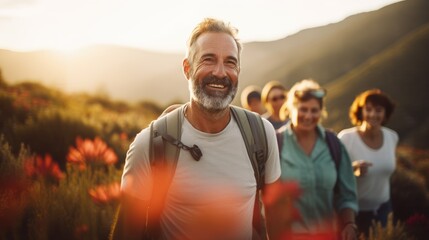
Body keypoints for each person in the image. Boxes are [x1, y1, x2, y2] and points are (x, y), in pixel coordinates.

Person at [117, 18, 281, 240]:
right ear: (187, 68)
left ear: (238, 70)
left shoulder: (261, 134)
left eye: (230, 62)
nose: (221, 72)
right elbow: (127, 233)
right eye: (208, 59)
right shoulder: (149, 145)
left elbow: (277, 218)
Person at [276, 79, 358, 240]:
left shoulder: (333, 144)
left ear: (321, 112)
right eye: (303, 109)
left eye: (314, 110)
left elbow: (347, 194)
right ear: (291, 109)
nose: (308, 116)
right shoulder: (277, 143)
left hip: (329, 235)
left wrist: (349, 224)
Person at [338, 89, 398, 236]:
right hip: (352, 213)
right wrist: (352, 170)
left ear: (385, 113)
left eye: (378, 110)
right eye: (368, 109)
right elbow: (333, 172)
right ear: (361, 111)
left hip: (384, 210)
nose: (373, 115)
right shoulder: (346, 138)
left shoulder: (392, 137)